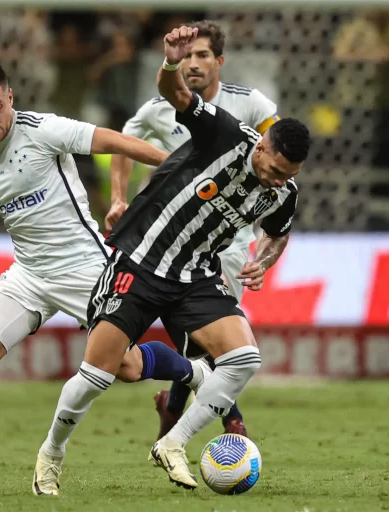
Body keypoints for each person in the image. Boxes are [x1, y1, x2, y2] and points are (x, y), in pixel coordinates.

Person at [0, 61, 211, 486]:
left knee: (127, 368)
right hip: (28, 275)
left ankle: (196, 373)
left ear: (10, 99)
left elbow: (116, 142)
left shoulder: (45, 131)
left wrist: (182, 169)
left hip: (86, 269)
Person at [32, 26, 310, 494]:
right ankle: (51, 454)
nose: (277, 181)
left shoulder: (284, 193)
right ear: (261, 147)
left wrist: (265, 259)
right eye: (275, 170)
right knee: (100, 372)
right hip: (140, 260)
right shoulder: (223, 132)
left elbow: (278, 233)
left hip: (195, 274)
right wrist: (169, 62)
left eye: (289, 176)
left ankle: (174, 442)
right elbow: (174, 92)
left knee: (243, 358)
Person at [107, 19, 280, 441]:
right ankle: (230, 421)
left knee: (208, 338)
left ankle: (174, 406)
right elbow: (121, 143)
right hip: (175, 240)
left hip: (233, 241)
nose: (195, 63)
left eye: (203, 55)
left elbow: (279, 159)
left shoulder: (251, 105)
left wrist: (266, 240)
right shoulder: (159, 109)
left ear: (219, 61)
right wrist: (117, 197)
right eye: (188, 55)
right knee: (205, 337)